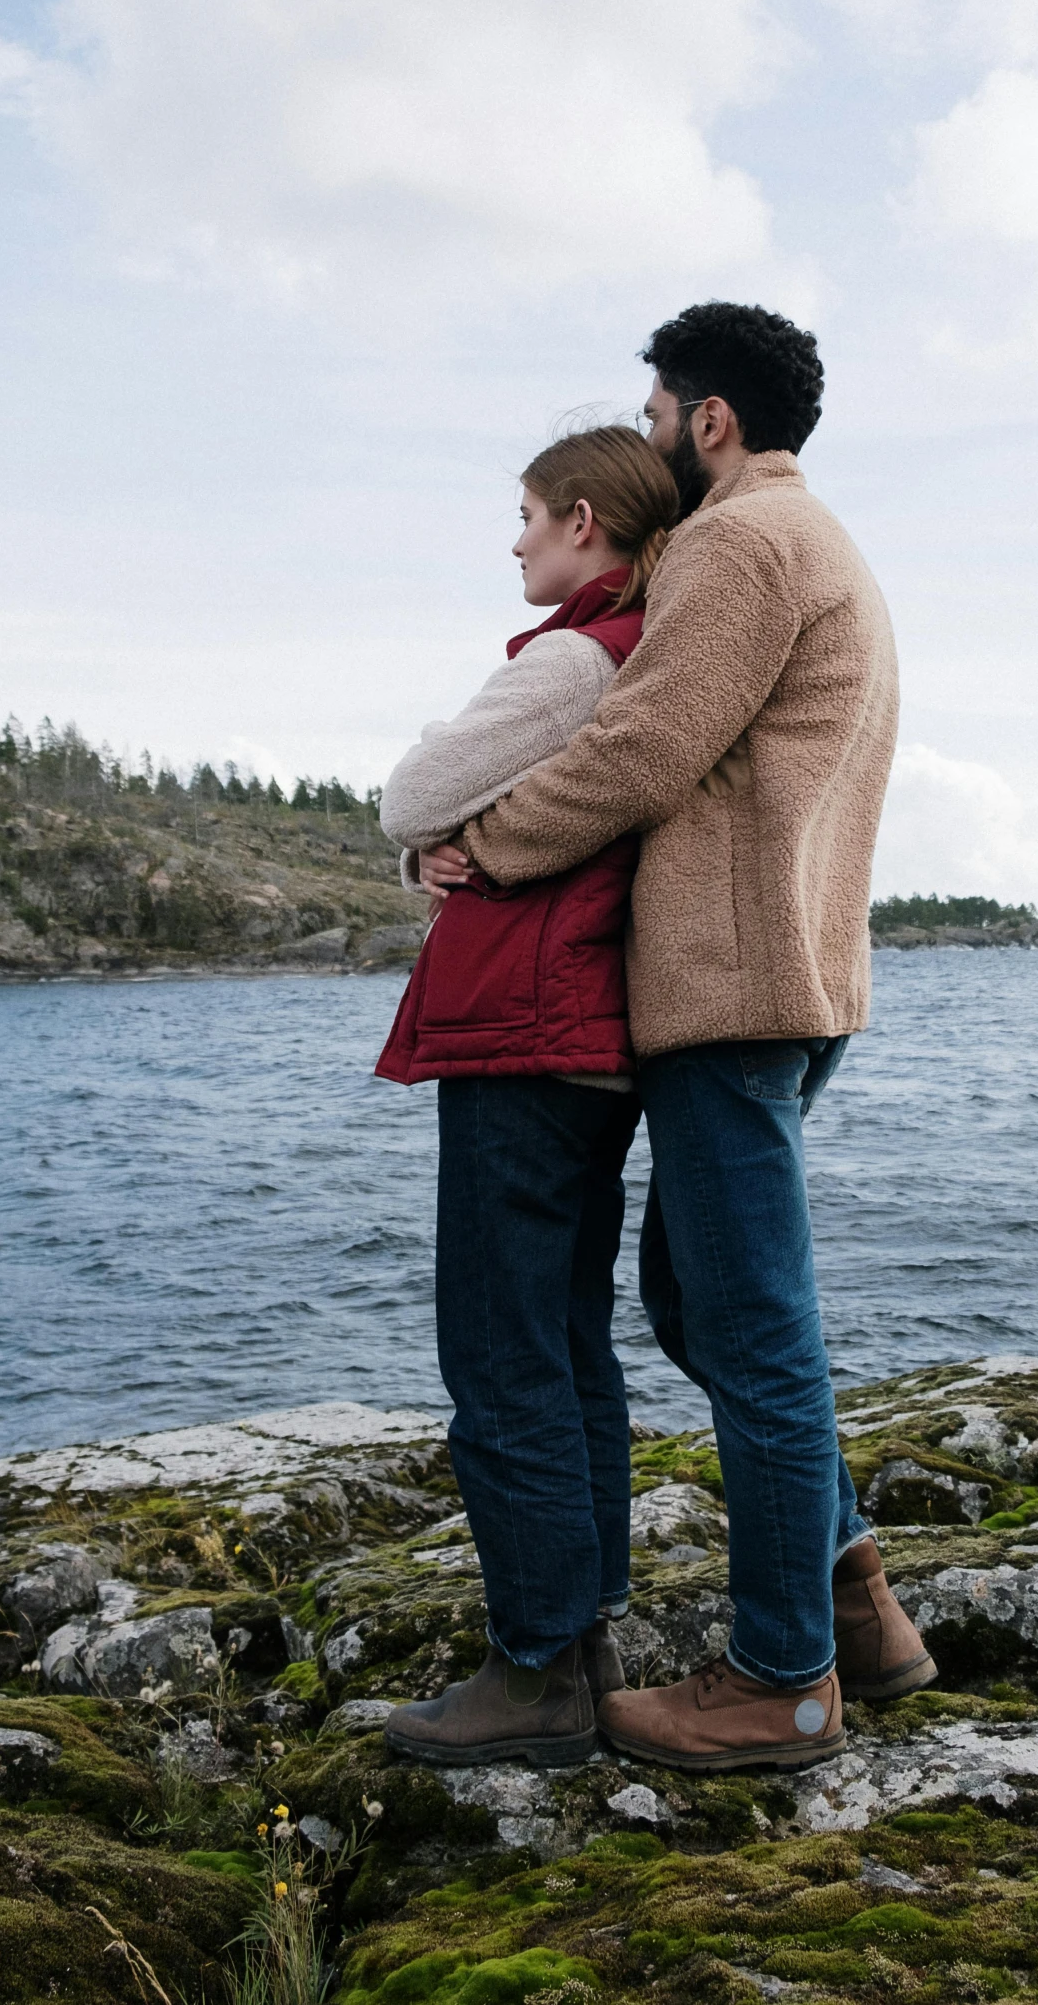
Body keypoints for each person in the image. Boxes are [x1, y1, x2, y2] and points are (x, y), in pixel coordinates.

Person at [424, 302, 936, 1773]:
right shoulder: (823, 541)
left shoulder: (734, 542)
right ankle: (857, 1603)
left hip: (725, 993)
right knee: (696, 1304)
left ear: (706, 418)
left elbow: (646, 740)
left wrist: (484, 841)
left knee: (751, 1329)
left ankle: (779, 1679)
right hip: (793, 980)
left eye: (654, 411)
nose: (647, 438)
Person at [376, 424, 678, 1768]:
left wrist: (429, 842)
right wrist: (436, 858)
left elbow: (410, 792)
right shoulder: (640, 651)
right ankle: (585, 1634)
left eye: (523, 518)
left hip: (525, 1036)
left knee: (500, 1353)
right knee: (564, 1345)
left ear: (580, 519)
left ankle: (537, 1666)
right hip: (589, 1039)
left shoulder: (569, 656)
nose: (513, 541)